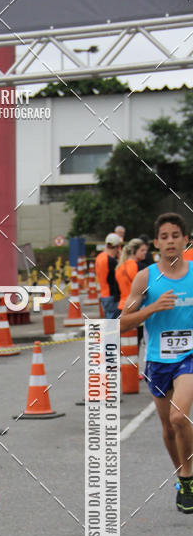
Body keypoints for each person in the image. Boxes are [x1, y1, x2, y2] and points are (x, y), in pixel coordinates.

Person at [119, 213, 193, 513]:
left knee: (179, 418)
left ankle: (188, 476)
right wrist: (152, 308)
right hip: (157, 359)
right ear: (156, 244)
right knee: (168, 428)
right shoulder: (146, 278)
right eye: (164, 236)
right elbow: (122, 323)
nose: (170, 241)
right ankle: (182, 476)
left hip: (189, 356)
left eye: (176, 235)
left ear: (186, 240)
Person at [116, 238, 149, 312]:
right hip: (135, 307)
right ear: (134, 251)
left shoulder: (119, 267)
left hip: (121, 307)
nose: (145, 252)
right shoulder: (140, 267)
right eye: (142, 250)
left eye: (146, 250)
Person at [96, 233, 123, 318]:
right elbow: (120, 275)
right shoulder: (111, 261)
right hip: (112, 295)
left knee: (110, 323)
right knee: (114, 325)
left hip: (104, 294)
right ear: (117, 247)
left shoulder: (100, 257)